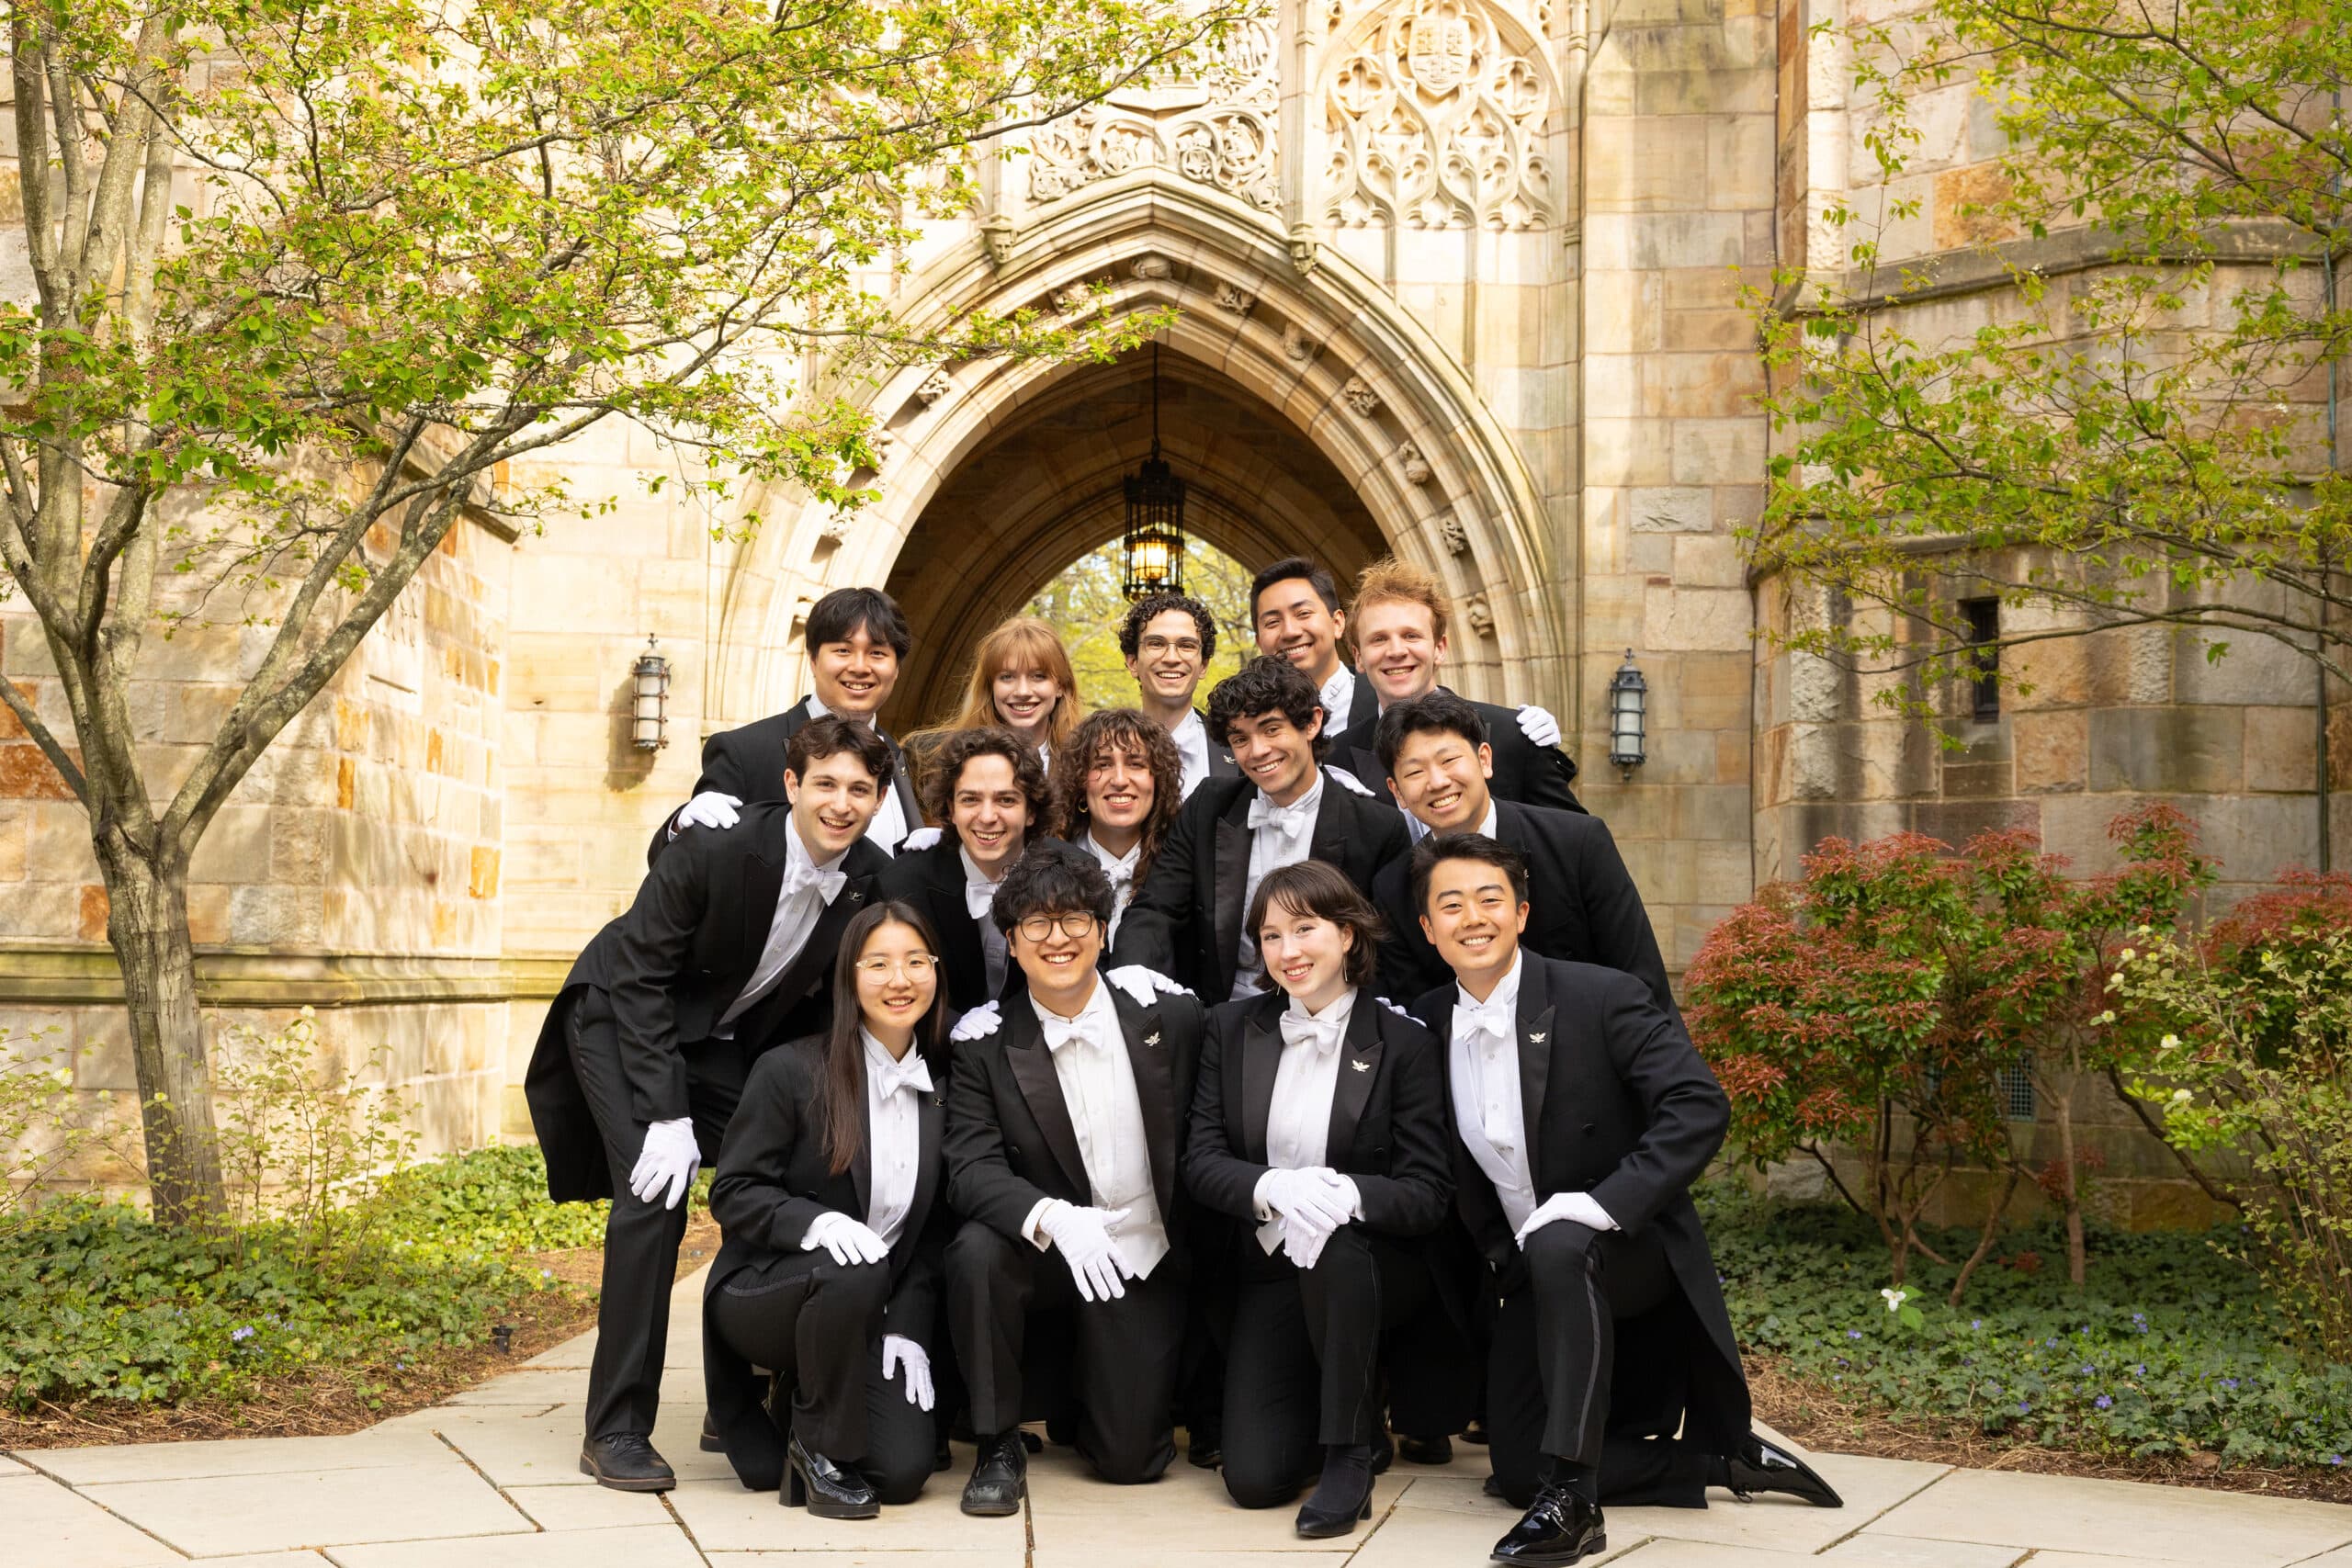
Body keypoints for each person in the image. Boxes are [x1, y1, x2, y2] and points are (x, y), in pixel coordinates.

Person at [1408, 833, 1841, 1565]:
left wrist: (1602, 1202)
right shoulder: (1427, 1020)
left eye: (1489, 900)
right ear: (1427, 927)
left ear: (1521, 912)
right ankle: (1715, 1462)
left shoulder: (1600, 994)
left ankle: (1575, 1504)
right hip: (1527, 1271)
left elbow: (1698, 1103)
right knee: (1516, 1472)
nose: (1471, 917)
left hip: (1627, 1251)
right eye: (1450, 904)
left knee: (1560, 1242)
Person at [526, 716, 895, 1492]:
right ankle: (616, 1427)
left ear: (878, 798)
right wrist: (666, 1115)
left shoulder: (866, 874)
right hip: (619, 1018)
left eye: (859, 789)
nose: (840, 802)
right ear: (791, 784)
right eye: (824, 783)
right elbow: (638, 977)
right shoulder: (718, 844)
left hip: (718, 1046)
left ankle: (745, 1392)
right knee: (653, 1196)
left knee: (793, 1164)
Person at [1183, 862, 1453, 1537]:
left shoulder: (1405, 1043)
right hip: (1270, 1269)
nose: (1288, 951)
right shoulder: (1229, 1028)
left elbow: (1428, 1193)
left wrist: (1345, 1193)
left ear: (1349, 935)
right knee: (1252, 1479)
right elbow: (1202, 1161)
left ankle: (1351, 1452)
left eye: (1305, 929)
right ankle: (1339, 1406)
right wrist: (1273, 1185)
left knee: (1335, 1248)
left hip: (1369, 1269)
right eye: (1271, 936)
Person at [940, 842, 1208, 1513]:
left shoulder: (1169, 1016)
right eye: (1037, 922)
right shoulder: (985, 1042)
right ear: (1011, 938)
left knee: (1131, 1461)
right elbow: (969, 1168)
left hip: (1142, 1252)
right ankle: (997, 1437)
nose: (1057, 938)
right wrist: (1053, 1216)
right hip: (1049, 1253)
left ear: (1103, 929)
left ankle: (1080, 1392)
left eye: (1075, 920)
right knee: (977, 1250)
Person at [702, 902, 954, 1517]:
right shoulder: (791, 1069)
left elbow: (927, 1236)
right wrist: (817, 1222)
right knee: (855, 1266)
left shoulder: (947, 1083)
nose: (900, 980)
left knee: (901, 1470)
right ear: (849, 976)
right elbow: (732, 1190)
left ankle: (804, 1400)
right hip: (766, 1290)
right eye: (880, 963)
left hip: (868, 1303)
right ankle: (818, 1452)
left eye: (916, 961)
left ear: (937, 972)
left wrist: (905, 1326)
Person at [1114, 656, 1409, 1000]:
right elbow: (1156, 907)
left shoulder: (1376, 826)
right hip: (1223, 1017)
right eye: (1240, 739)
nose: (1257, 751)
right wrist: (1133, 968)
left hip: (1334, 1017)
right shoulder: (1209, 806)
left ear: (1312, 723)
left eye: (1271, 729)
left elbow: (1391, 953)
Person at [1368, 691, 1672, 1011]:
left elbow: (1641, 979)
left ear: (1484, 759)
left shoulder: (1577, 843)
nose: (1438, 781)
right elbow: (1418, 1017)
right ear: (1397, 792)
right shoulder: (1394, 889)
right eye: (1415, 772)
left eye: (1449, 760)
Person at [648, 586, 921, 864]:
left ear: (897, 668)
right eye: (843, 650)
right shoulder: (745, 752)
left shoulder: (900, 758)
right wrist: (679, 827)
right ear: (813, 660)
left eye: (877, 653)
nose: (860, 667)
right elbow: (679, 867)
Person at [1330, 558, 1580, 817]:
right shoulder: (1336, 760)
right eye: (1379, 639)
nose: (1396, 651)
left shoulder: (1513, 736)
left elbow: (1572, 841)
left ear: (1439, 649)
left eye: (1411, 636)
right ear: (1358, 657)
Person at [880, 728, 1053, 1012]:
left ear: (1031, 810)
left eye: (1006, 800)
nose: (987, 817)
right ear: (951, 808)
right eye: (970, 800)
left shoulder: (1072, 875)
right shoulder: (902, 886)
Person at [1049, 708, 1183, 947]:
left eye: (1135, 763)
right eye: (1103, 764)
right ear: (1080, 781)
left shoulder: (1184, 868)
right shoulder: (1048, 863)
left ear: (1157, 779)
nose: (1120, 780)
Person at [914, 615, 1084, 773]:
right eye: (1007, 677)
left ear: (1061, 686)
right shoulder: (939, 761)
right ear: (991, 686)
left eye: (1038, 676)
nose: (1022, 692)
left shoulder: (1084, 766)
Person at [1119, 591, 1238, 796]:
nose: (1172, 658)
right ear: (1133, 662)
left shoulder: (1236, 748)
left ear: (1203, 665)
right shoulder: (1101, 751)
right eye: (1156, 643)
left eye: (1186, 645)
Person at [1250, 557, 1374, 739]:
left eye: (1303, 613)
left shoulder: (1385, 701)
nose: (1290, 632)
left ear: (1337, 623)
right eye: (1273, 622)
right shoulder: (1251, 731)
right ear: (1260, 642)